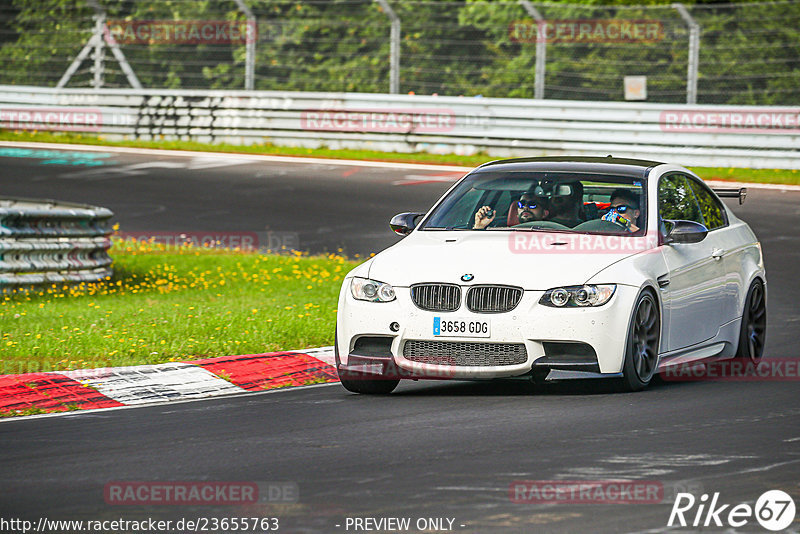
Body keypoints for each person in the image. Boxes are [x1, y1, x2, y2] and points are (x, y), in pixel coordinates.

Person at [473, 190, 549, 229]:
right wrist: (479, 226)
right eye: (521, 204)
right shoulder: (498, 231)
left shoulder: (556, 233)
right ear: (517, 212)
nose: (525, 207)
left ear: (544, 213)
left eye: (532, 204)